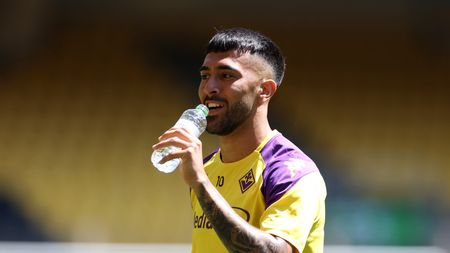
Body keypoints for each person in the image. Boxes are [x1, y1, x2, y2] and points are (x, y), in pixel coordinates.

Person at [152, 28, 327, 253]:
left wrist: (201, 183)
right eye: (205, 76)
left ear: (264, 90)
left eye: (226, 75)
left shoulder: (290, 172)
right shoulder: (207, 167)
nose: (209, 88)